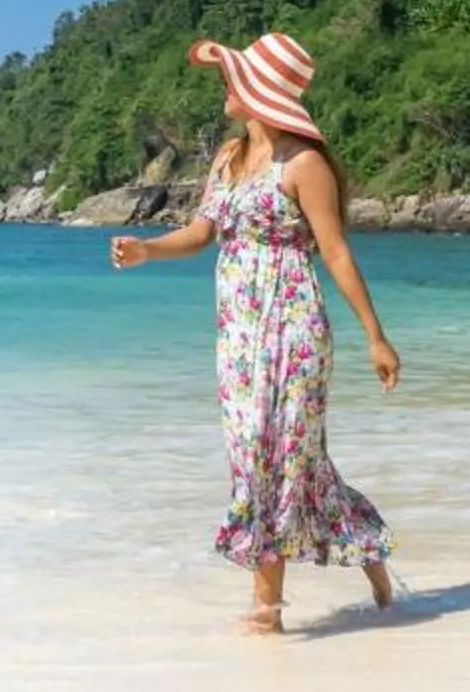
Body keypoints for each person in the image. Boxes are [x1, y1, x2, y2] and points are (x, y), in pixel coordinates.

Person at [112, 31, 401, 634]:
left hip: (294, 327)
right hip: (239, 336)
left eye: (233, 80)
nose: (224, 89)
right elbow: (199, 234)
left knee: (277, 457)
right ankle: (366, 547)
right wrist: (146, 250)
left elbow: (337, 253)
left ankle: (266, 608)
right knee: (261, 456)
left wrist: (376, 336)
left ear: (258, 90)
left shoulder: (304, 164)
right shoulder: (228, 158)